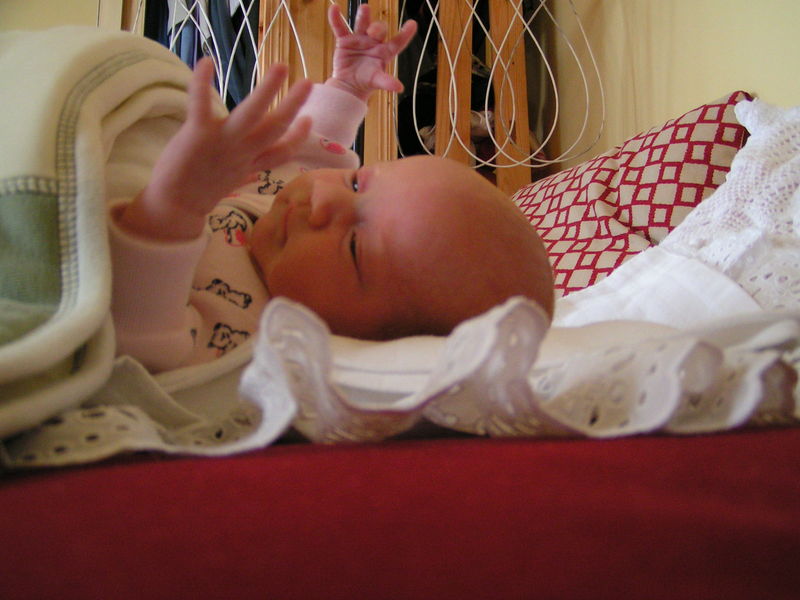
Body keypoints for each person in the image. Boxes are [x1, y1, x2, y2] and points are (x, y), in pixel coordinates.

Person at [109, 5, 554, 373]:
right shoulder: (289, 201)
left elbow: (137, 340)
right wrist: (347, 86)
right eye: (357, 183)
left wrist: (172, 207)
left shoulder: (251, 340)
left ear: (366, 347)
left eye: (355, 247)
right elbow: (314, 152)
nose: (324, 198)